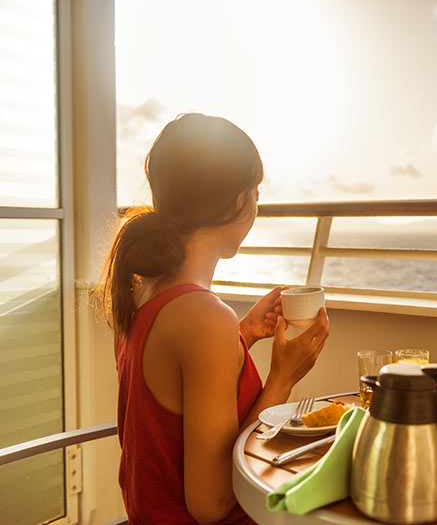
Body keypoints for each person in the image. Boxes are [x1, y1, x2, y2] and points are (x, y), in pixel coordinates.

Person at [94, 113, 330, 524]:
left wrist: (243, 336)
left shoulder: (143, 289)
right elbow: (212, 503)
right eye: (255, 191)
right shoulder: (204, 318)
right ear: (239, 199)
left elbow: (169, 388)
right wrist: (284, 378)